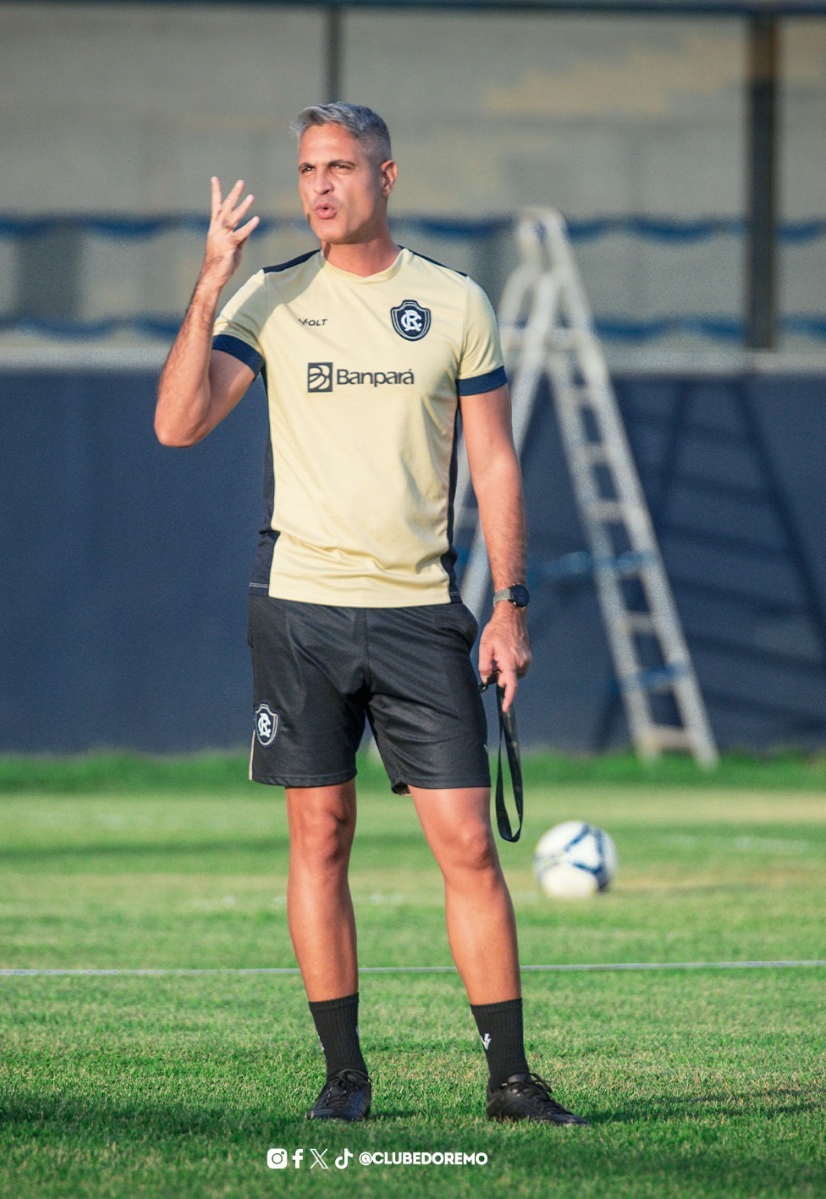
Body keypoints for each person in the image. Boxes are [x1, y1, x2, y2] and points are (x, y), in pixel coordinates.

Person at [153, 102, 585, 1127]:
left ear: (387, 177)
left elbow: (494, 461)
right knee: (320, 833)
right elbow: (175, 423)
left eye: (340, 166)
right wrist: (211, 278)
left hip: (417, 611)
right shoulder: (270, 296)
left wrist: (510, 605)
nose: (319, 187)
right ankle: (344, 1079)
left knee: (467, 844)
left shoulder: (453, 302)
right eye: (307, 168)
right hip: (298, 609)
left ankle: (510, 1080)